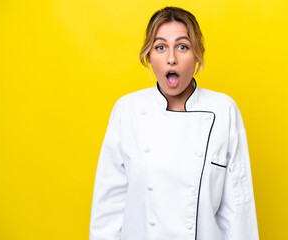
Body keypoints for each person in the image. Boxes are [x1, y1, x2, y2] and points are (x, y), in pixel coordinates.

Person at [89, 6, 259, 240]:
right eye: (160, 47)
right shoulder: (127, 110)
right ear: (148, 56)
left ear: (197, 55)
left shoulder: (223, 110)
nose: (171, 59)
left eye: (182, 47)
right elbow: (108, 207)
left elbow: (238, 207)